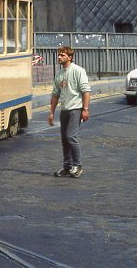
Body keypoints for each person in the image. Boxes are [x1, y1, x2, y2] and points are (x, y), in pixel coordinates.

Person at [47, 45, 90, 178]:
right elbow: (55, 94)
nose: (59, 57)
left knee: (71, 136)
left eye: (62, 55)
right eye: (59, 55)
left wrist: (85, 109)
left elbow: (86, 91)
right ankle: (67, 167)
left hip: (75, 109)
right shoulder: (59, 74)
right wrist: (51, 112)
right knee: (64, 139)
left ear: (70, 57)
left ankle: (78, 165)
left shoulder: (78, 71)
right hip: (64, 110)